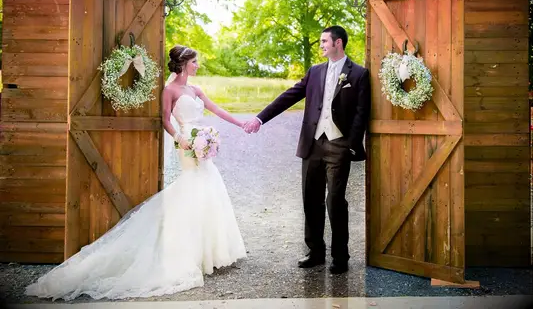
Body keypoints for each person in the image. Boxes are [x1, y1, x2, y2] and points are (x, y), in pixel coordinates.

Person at [26, 45, 247, 301]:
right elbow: (165, 119)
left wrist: (241, 123)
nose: (198, 66)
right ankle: (185, 252)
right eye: (195, 62)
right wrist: (180, 138)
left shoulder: (196, 90)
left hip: (201, 140)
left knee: (208, 186)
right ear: (185, 63)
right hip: (186, 142)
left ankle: (211, 252)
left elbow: (216, 109)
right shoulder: (170, 90)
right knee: (193, 187)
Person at [243, 25, 370, 274]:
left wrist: (350, 144)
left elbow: (361, 113)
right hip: (313, 144)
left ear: (338, 43)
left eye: (324, 41)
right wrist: (259, 118)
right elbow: (289, 96)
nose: (321, 45)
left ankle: (340, 256)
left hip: (339, 145)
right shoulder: (314, 71)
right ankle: (315, 251)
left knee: (334, 201)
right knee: (310, 200)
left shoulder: (359, 74)